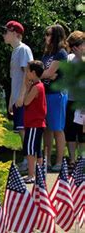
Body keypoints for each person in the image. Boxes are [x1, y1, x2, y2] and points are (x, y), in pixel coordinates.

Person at [2, 20, 34, 171]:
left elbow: (27, 75)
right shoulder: (15, 51)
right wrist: (11, 100)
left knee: (24, 130)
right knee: (21, 130)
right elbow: (14, 78)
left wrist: (21, 97)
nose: (4, 35)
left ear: (16, 33)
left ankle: (30, 161)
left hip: (24, 98)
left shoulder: (23, 50)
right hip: (17, 98)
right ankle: (27, 159)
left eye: (6, 31)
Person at [40, 24, 68, 172]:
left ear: (56, 36)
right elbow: (44, 72)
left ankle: (59, 161)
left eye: (48, 34)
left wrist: (43, 73)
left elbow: (48, 73)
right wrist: (45, 73)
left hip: (57, 94)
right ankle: (47, 160)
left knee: (57, 128)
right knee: (47, 129)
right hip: (45, 93)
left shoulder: (61, 53)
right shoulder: (47, 54)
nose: (46, 37)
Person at [18, 61, 47, 183]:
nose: (26, 74)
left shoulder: (36, 87)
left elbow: (26, 102)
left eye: (28, 71)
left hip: (34, 124)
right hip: (36, 124)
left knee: (30, 150)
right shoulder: (39, 86)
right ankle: (39, 174)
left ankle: (31, 175)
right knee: (37, 149)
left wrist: (26, 88)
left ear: (33, 73)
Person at [64, 30, 85, 168]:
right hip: (71, 100)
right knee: (70, 131)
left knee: (82, 132)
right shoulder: (69, 58)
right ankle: (72, 159)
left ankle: (82, 159)